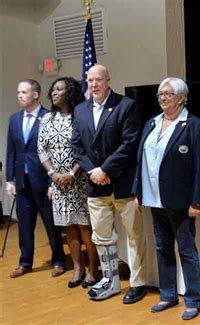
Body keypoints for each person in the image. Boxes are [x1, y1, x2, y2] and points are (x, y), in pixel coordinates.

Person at [133, 77, 200, 321]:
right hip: (154, 199)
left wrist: (197, 200)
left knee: (186, 250)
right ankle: (168, 295)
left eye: (168, 93)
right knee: (162, 247)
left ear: (181, 98)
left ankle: (193, 299)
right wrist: (138, 191)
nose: (162, 98)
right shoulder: (151, 123)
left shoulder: (194, 126)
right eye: (160, 94)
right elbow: (141, 161)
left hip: (180, 201)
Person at [71, 64, 146, 303]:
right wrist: (94, 171)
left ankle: (138, 283)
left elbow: (129, 143)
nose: (93, 85)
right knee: (101, 238)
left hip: (123, 185)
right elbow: (77, 146)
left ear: (108, 81)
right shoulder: (80, 110)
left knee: (134, 235)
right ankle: (111, 281)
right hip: (95, 186)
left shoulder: (126, 106)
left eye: (98, 80)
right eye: (90, 80)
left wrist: (106, 169)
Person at [38, 77, 100, 288]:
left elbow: (85, 148)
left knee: (84, 226)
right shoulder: (46, 119)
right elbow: (42, 150)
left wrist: (72, 174)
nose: (54, 93)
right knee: (69, 228)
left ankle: (93, 269)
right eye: (52, 90)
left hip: (79, 179)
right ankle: (77, 268)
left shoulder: (80, 115)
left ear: (70, 93)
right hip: (58, 182)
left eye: (58, 89)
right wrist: (53, 174)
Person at [6, 79, 66, 278]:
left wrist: (52, 182)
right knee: (25, 224)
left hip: (43, 179)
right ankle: (25, 262)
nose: (20, 96)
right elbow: (11, 151)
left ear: (35, 94)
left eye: (24, 92)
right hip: (22, 181)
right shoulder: (14, 119)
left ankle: (58, 260)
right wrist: (10, 180)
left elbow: (54, 151)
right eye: (18, 92)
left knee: (51, 222)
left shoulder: (48, 118)